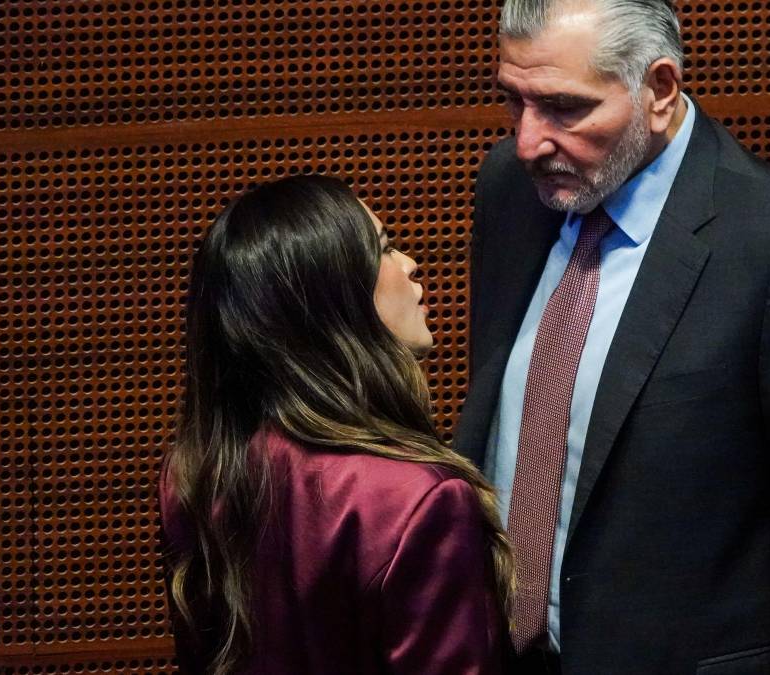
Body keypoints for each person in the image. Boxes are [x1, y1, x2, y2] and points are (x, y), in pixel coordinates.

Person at [454, 1, 770, 673]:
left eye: (564, 108)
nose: (528, 142)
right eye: (514, 101)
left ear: (659, 90)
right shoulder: (511, 189)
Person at [159, 175, 511, 674]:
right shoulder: (420, 500)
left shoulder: (193, 478)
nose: (409, 265)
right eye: (384, 248)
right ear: (335, 298)